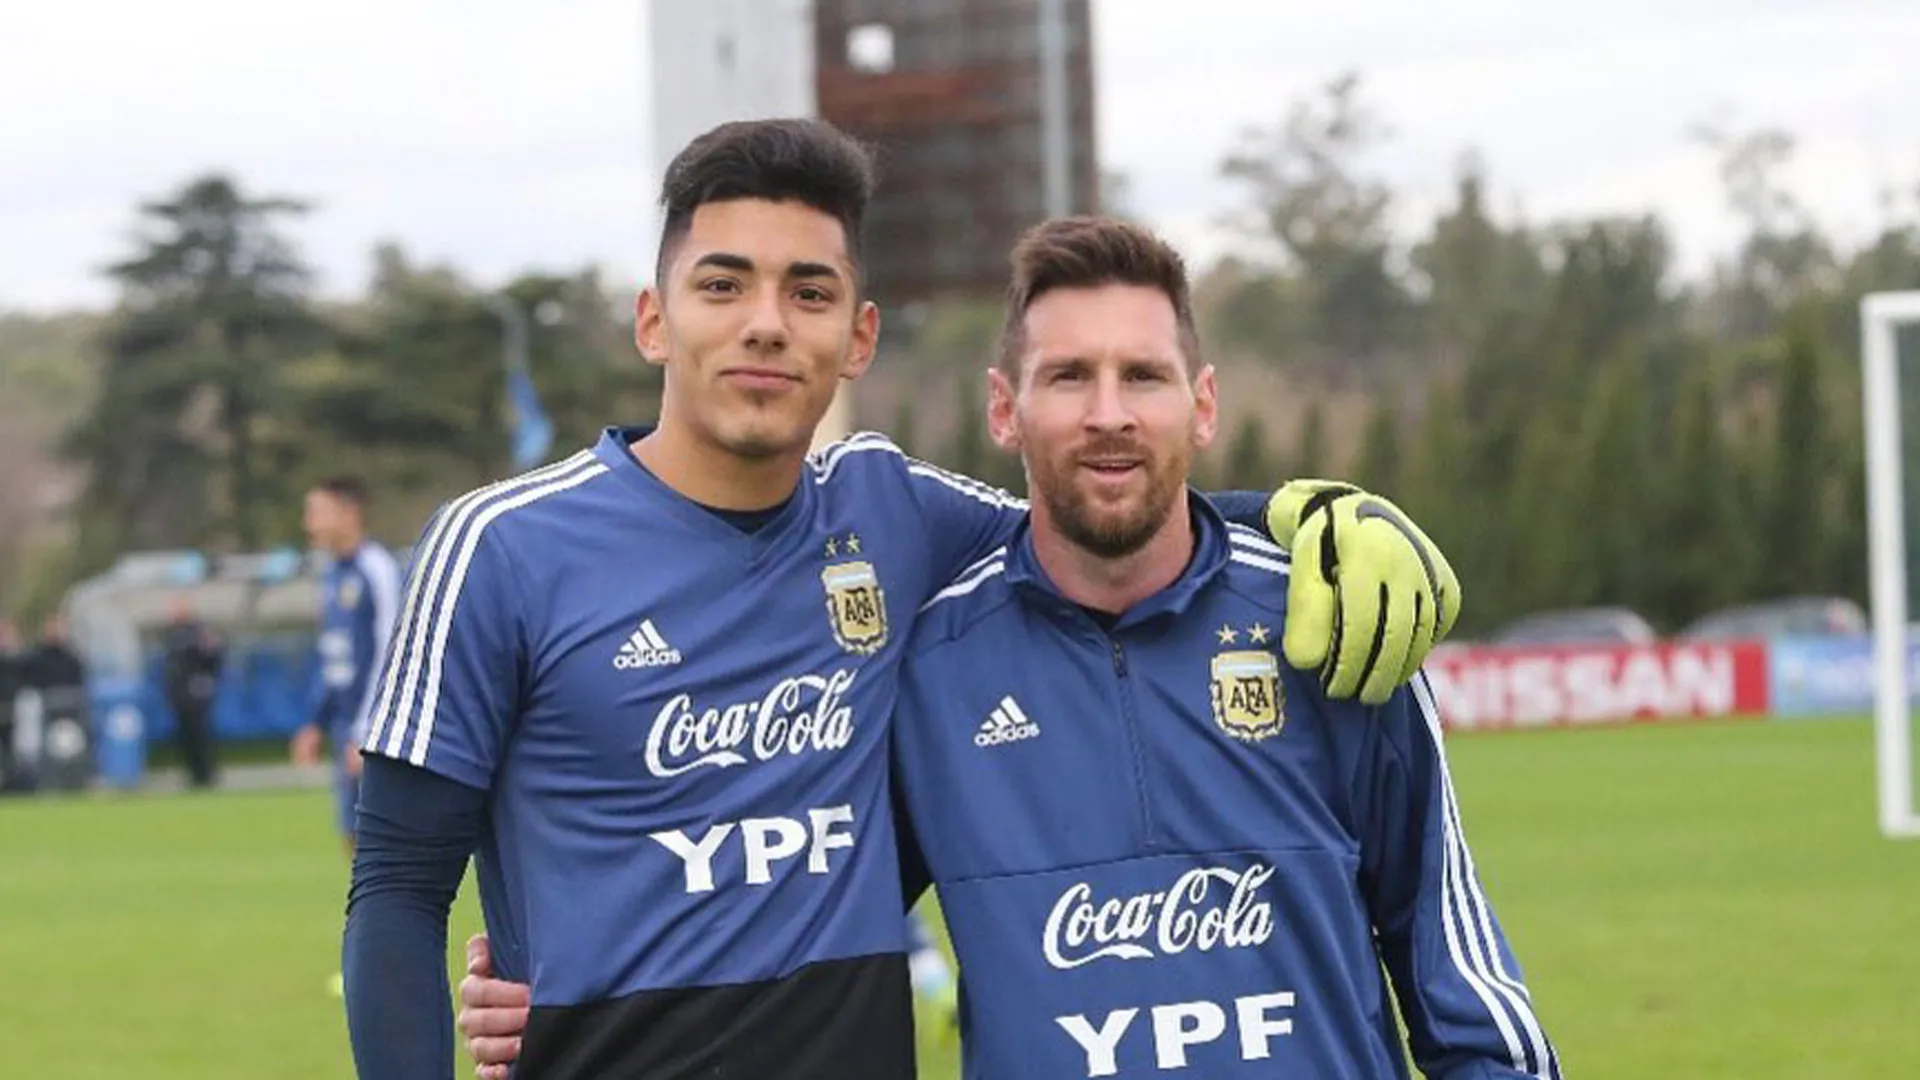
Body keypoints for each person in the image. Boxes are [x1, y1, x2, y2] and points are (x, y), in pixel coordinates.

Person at [344, 119, 1459, 1080]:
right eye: (722, 284)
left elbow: (1097, 508)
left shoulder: (893, 511)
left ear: (857, 338)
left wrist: (1311, 514)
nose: (767, 323)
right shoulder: (500, 546)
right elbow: (397, 887)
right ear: (653, 319)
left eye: (810, 291)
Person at [293, 475, 403, 851]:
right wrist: (314, 720)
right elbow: (333, 655)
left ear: (349, 513)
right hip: (344, 725)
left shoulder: (377, 568)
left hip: (372, 727)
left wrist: (367, 729)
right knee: (351, 836)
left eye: (316, 512)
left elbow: (391, 649)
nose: (309, 523)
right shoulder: (331, 574)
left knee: (379, 841)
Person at [160, 596, 225, 789]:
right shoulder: (170, 635)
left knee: (201, 735)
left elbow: (213, 659)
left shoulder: (199, 632)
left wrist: (208, 680)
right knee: (185, 736)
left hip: (197, 694)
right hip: (178, 695)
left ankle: (207, 774)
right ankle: (194, 774)